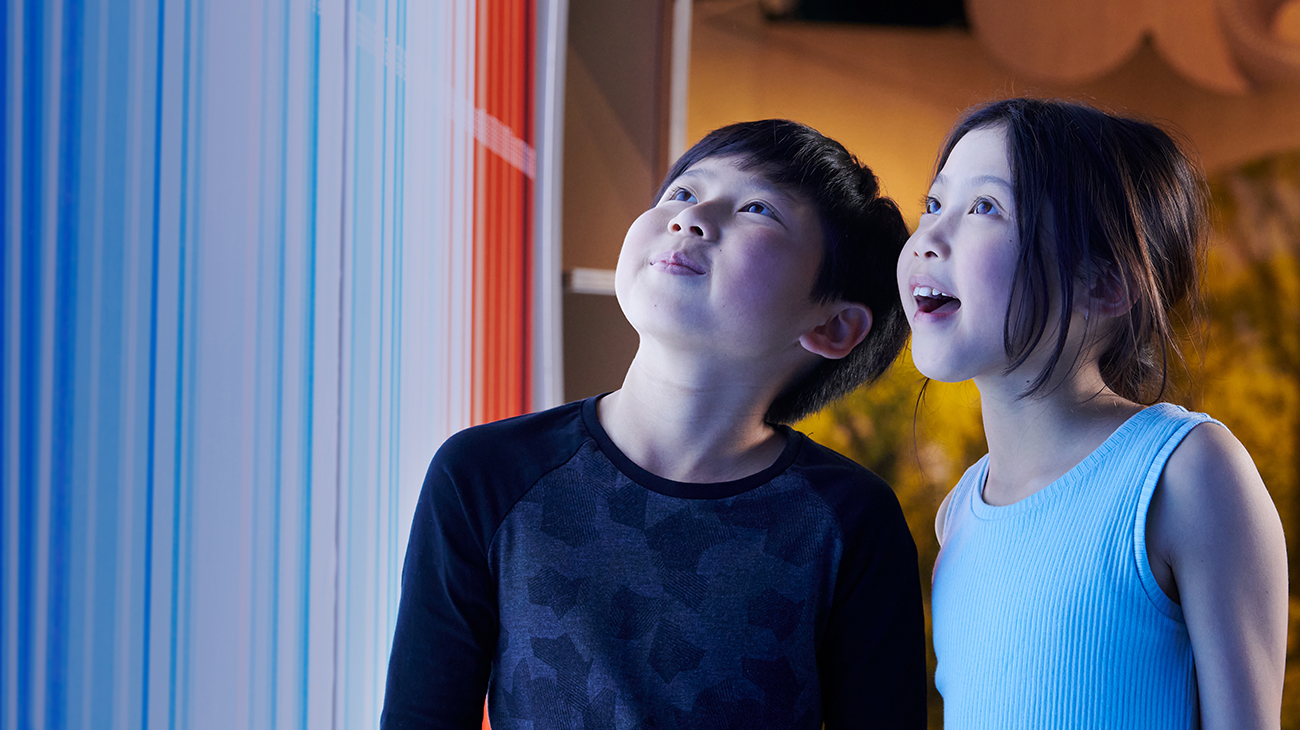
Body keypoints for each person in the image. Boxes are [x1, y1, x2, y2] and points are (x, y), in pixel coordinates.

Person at [381, 119, 928, 729]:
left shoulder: (850, 522)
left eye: (757, 208)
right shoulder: (484, 474)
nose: (689, 218)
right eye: (684, 192)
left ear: (832, 327)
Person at [899, 97, 1288, 729]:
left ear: (1104, 284)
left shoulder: (1185, 474)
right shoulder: (958, 517)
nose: (927, 240)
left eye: (985, 208)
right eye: (935, 204)